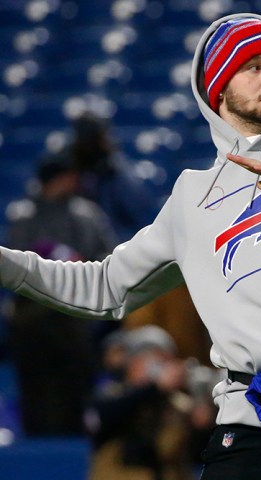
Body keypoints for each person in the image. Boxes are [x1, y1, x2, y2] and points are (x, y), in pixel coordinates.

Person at [1, 11, 261, 478]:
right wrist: (7, 265)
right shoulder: (191, 197)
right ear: (218, 86)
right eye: (253, 66)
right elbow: (104, 288)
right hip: (255, 425)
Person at [4, 150, 117, 436]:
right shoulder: (24, 216)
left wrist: (81, 264)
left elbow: (110, 259)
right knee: (36, 389)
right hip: (34, 316)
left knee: (75, 388)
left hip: (76, 310)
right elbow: (11, 266)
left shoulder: (86, 213)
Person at [85, 325, 212, 480]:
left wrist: (202, 420)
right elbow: (101, 418)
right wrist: (153, 388)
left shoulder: (177, 403)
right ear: (134, 363)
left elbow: (198, 452)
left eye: (165, 362)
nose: (160, 370)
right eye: (154, 362)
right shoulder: (113, 392)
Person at [68, 112, 160, 241]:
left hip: (117, 243)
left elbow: (139, 210)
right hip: (81, 243)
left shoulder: (116, 171)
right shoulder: (71, 169)